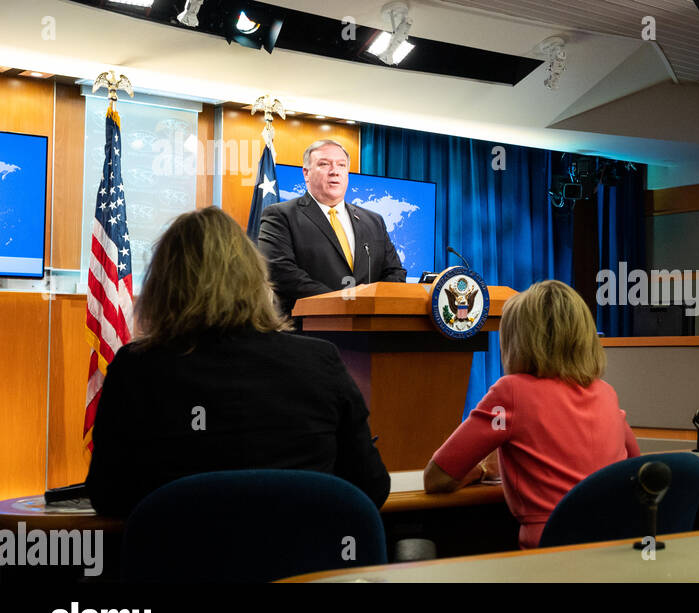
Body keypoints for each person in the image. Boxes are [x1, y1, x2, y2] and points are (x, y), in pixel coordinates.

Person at [85, 207, 391, 517]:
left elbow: (109, 495)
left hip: (180, 561)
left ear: (161, 286)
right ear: (257, 278)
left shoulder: (136, 369)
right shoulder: (320, 360)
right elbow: (370, 487)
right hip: (308, 560)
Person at [423, 280, 640, 549]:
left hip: (549, 557)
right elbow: (636, 466)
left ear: (518, 340)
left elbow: (437, 477)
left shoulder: (511, 392)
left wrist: (480, 471)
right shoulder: (607, 393)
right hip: (615, 549)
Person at [257, 139, 406, 319]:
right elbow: (280, 271)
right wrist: (338, 303)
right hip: (309, 330)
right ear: (306, 173)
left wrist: (370, 303)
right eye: (324, 164)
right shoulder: (281, 215)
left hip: (368, 330)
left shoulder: (373, 221)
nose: (335, 171)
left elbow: (395, 272)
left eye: (341, 165)